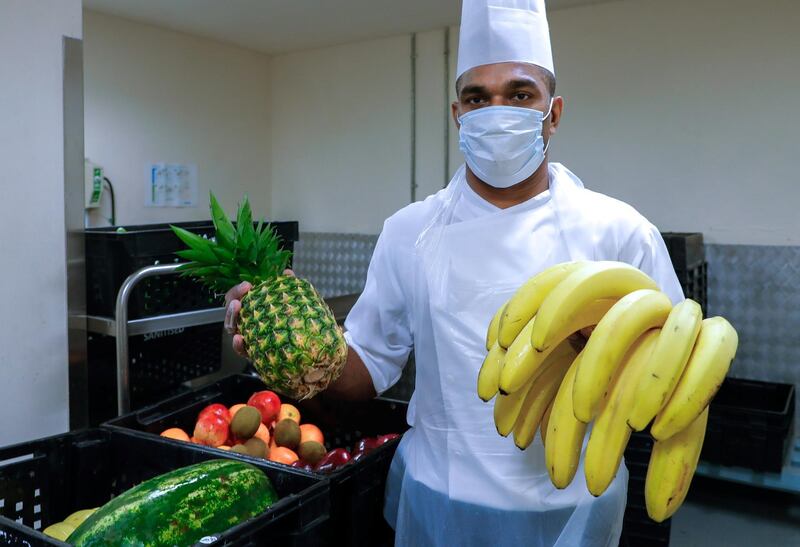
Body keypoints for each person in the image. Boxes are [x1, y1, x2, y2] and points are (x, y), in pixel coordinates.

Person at [225, 1, 683, 545]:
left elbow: (671, 382)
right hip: (439, 500)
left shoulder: (620, 233)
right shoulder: (409, 232)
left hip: (575, 506)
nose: (497, 110)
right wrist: (293, 351)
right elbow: (368, 366)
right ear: (457, 115)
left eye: (519, 94)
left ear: (553, 113)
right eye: (477, 98)